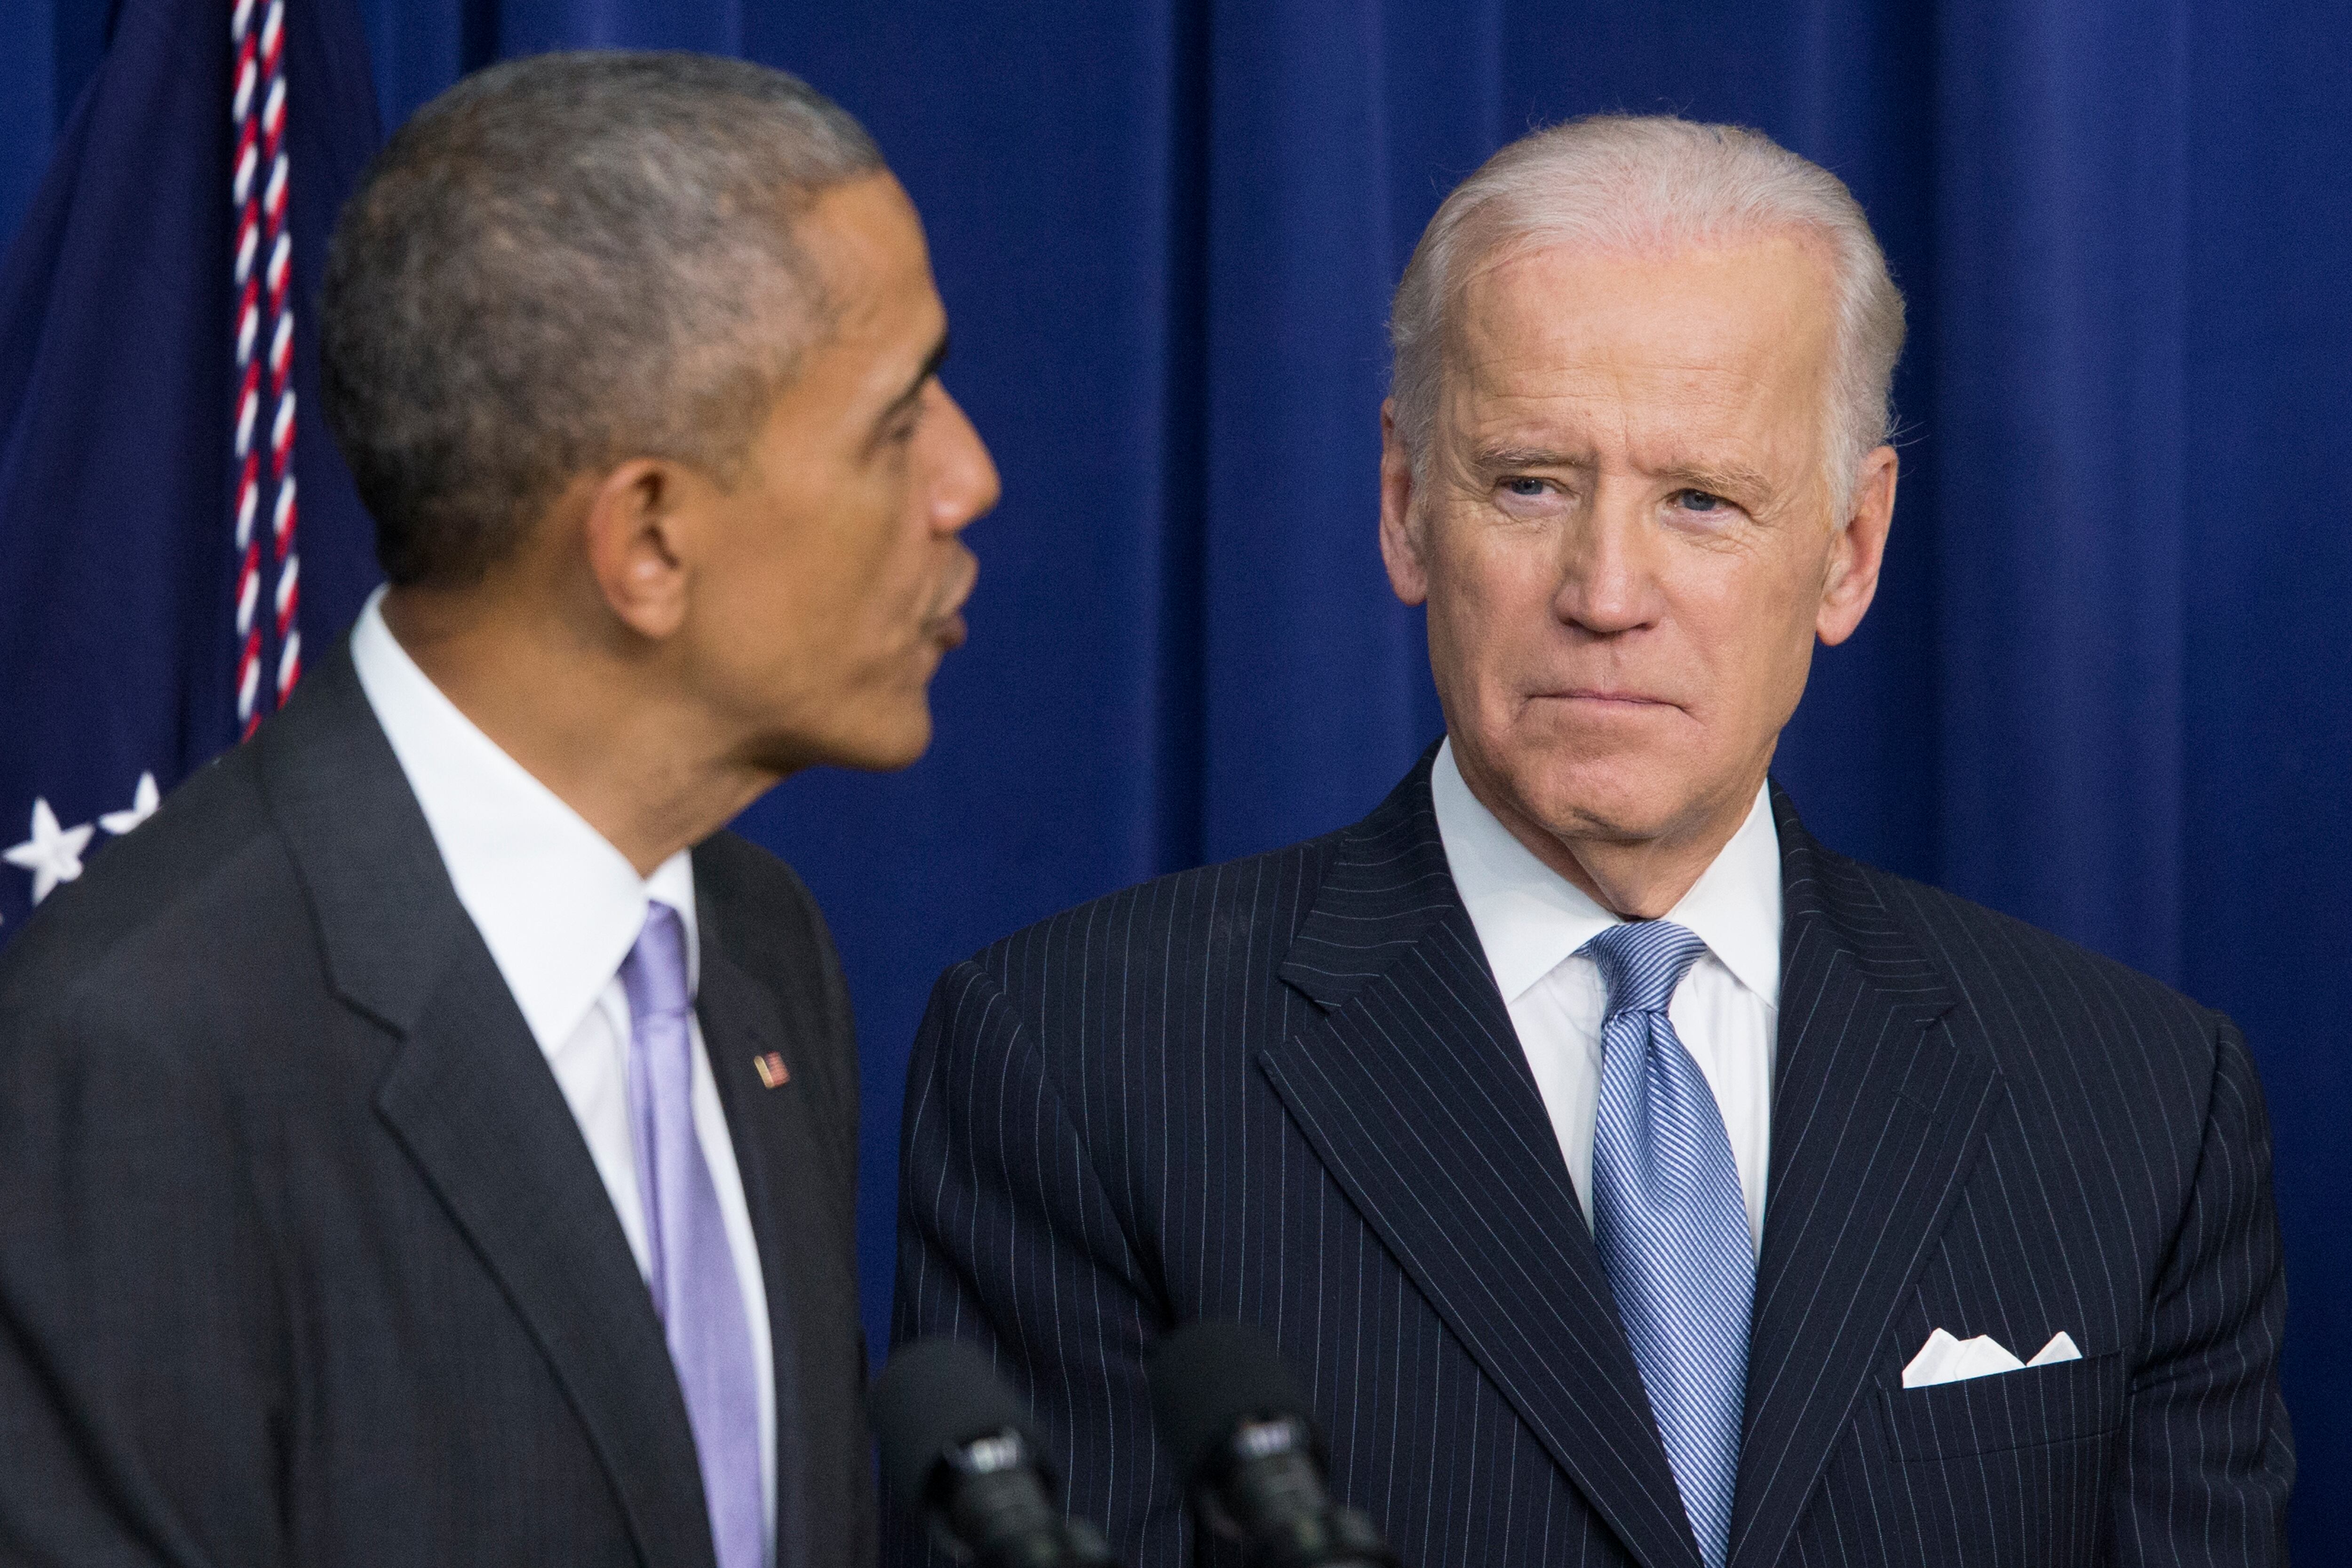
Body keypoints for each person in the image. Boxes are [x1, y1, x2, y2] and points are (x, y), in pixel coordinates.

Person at [891, 116, 2289, 1568]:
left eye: (1701, 500)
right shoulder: (1079, 1061)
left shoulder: (2140, 1105)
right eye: (1531, 484)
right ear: (1405, 503)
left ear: (1851, 547)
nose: (1607, 591)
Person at [0, 51, 996, 1568]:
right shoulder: (131, 1055)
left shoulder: (761, 951)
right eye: (896, 418)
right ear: (648, 541)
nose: (968, 479)